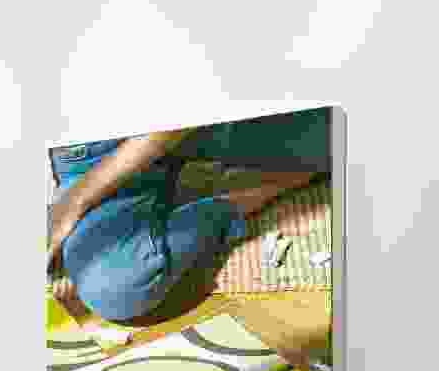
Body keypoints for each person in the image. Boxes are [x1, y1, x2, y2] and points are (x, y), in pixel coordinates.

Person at [48, 107, 331, 322]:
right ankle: (237, 198)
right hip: (92, 154)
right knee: (115, 287)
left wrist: (81, 197)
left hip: (207, 115)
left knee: (338, 138)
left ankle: (267, 183)